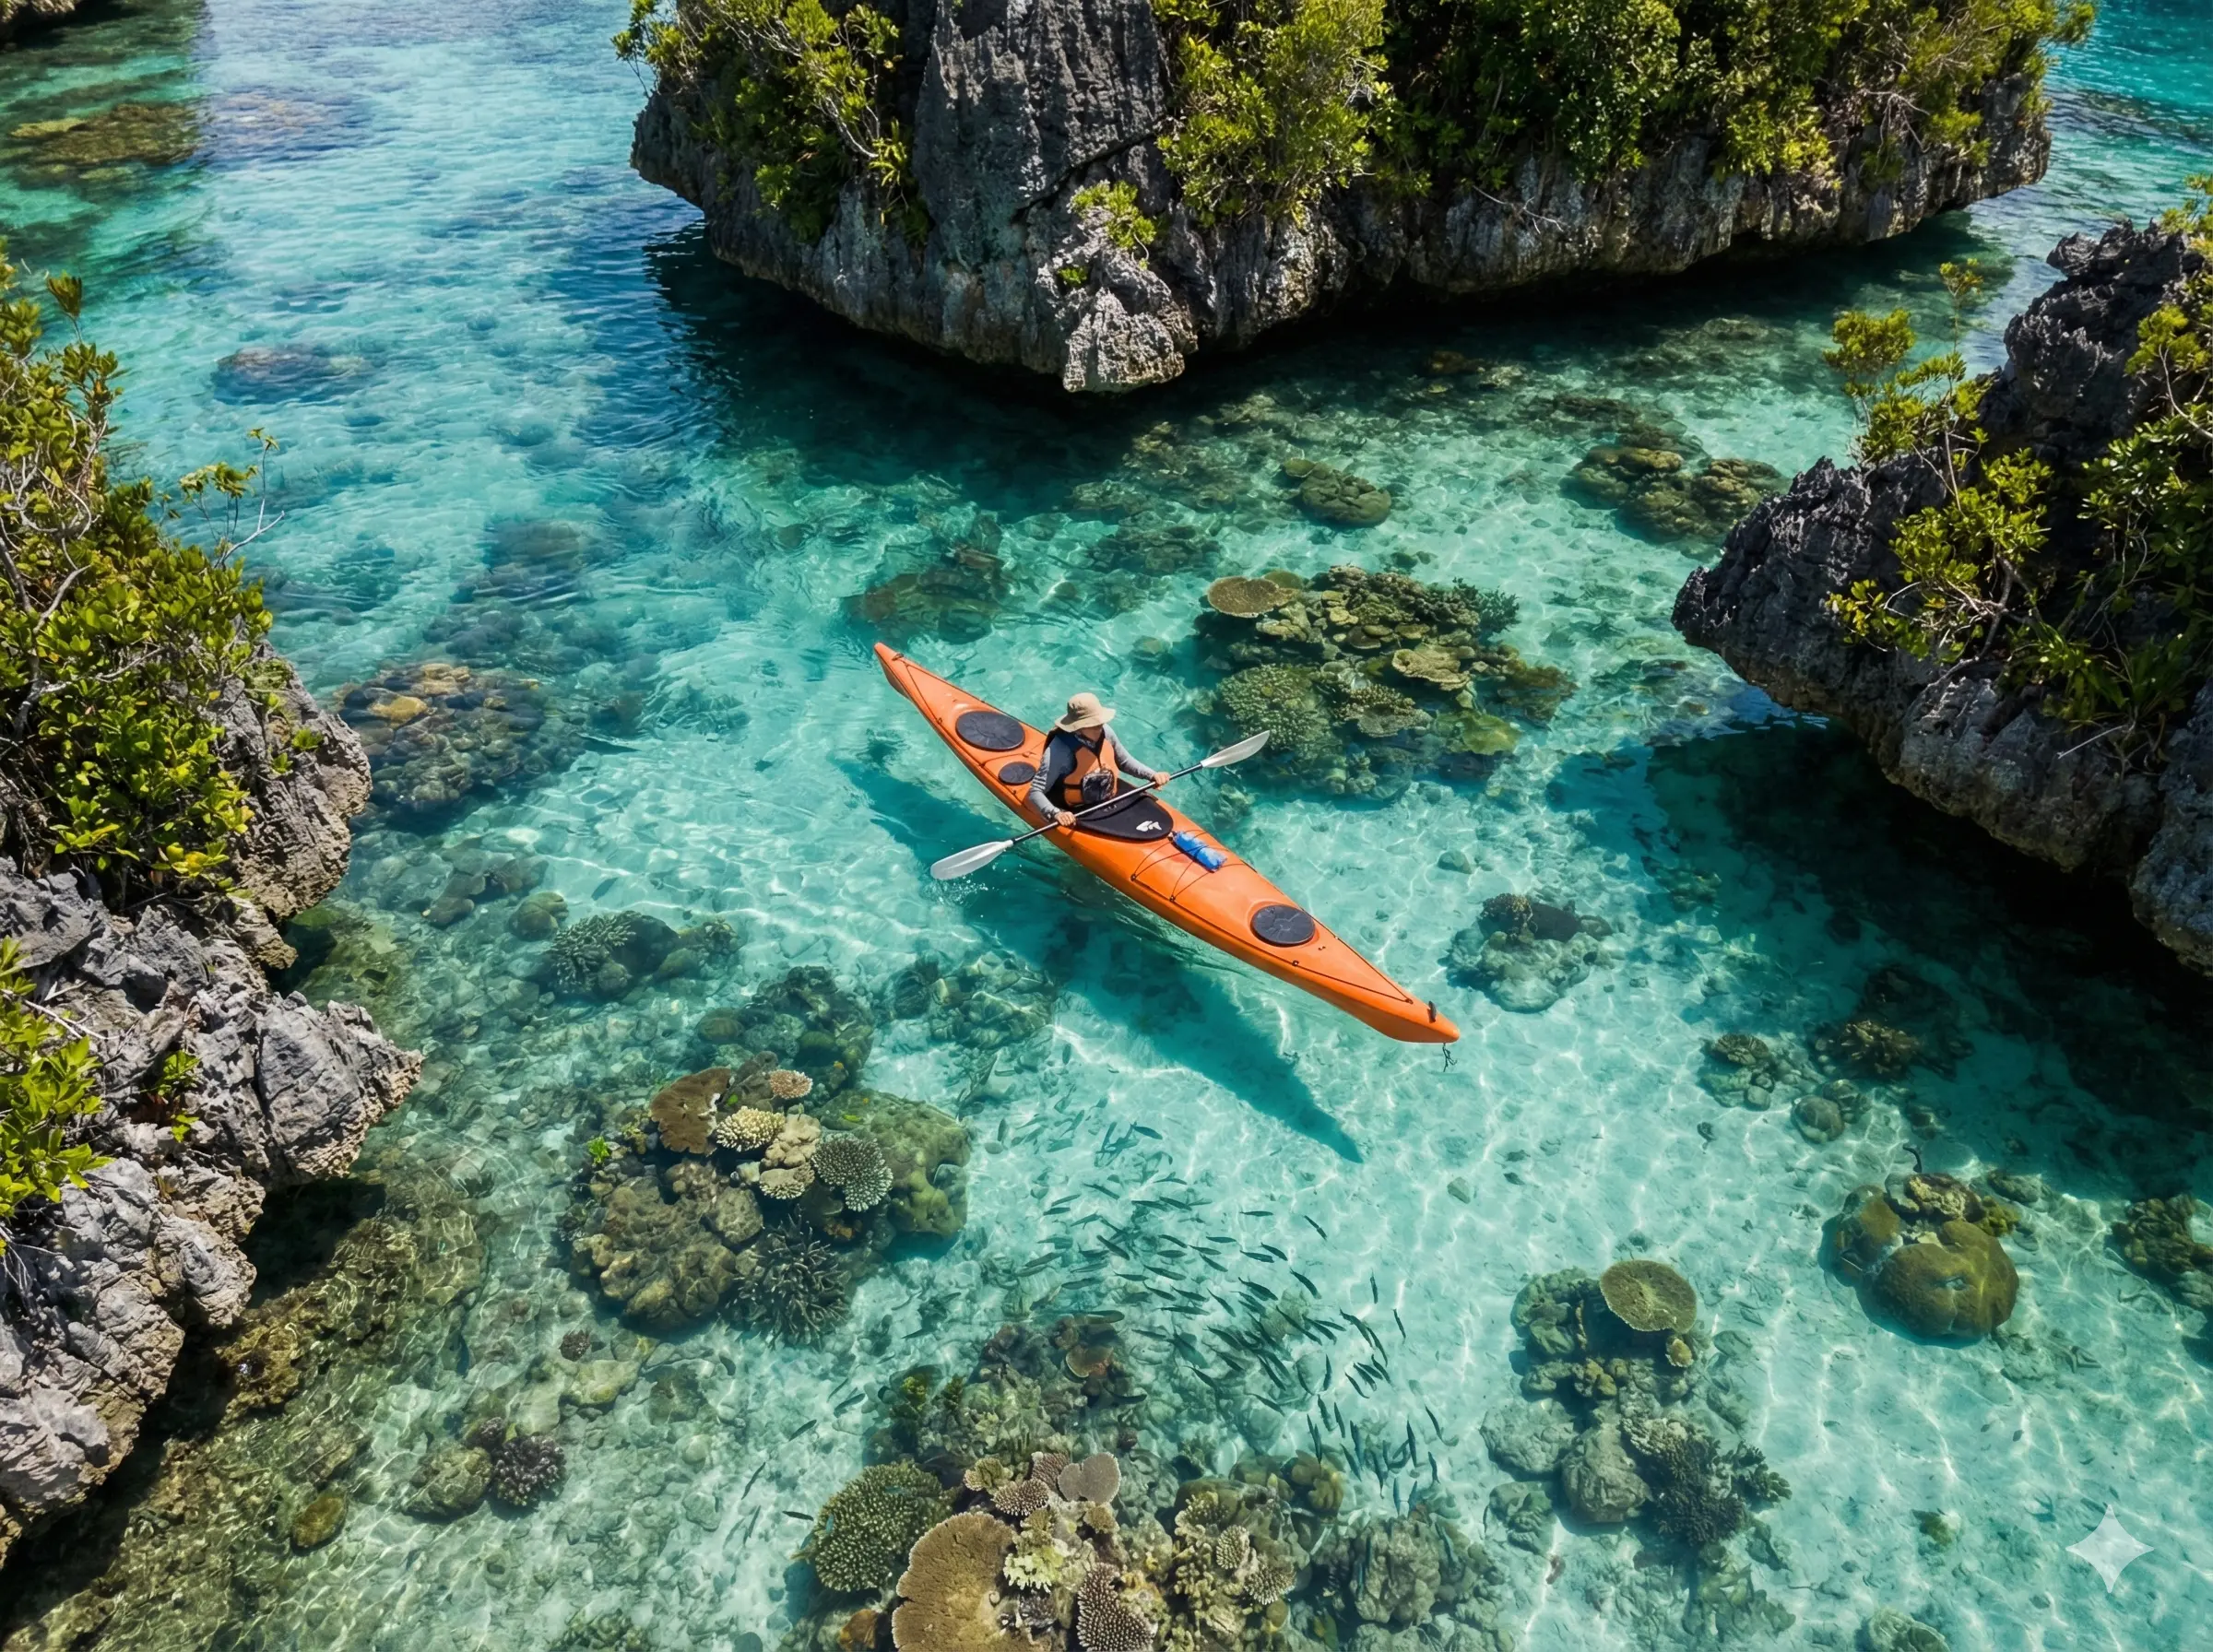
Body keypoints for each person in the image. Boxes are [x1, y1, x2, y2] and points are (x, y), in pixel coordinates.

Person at [1026, 692, 1163, 828]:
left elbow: (1124, 761)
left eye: (1101, 723)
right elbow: (1035, 791)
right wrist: (1056, 813)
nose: (1100, 727)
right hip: (1073, 807)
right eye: (1095, 725)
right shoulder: (1058, 750)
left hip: (1105, 795)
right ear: (1078, 726)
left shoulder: (1105, 731)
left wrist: (1151, 774)